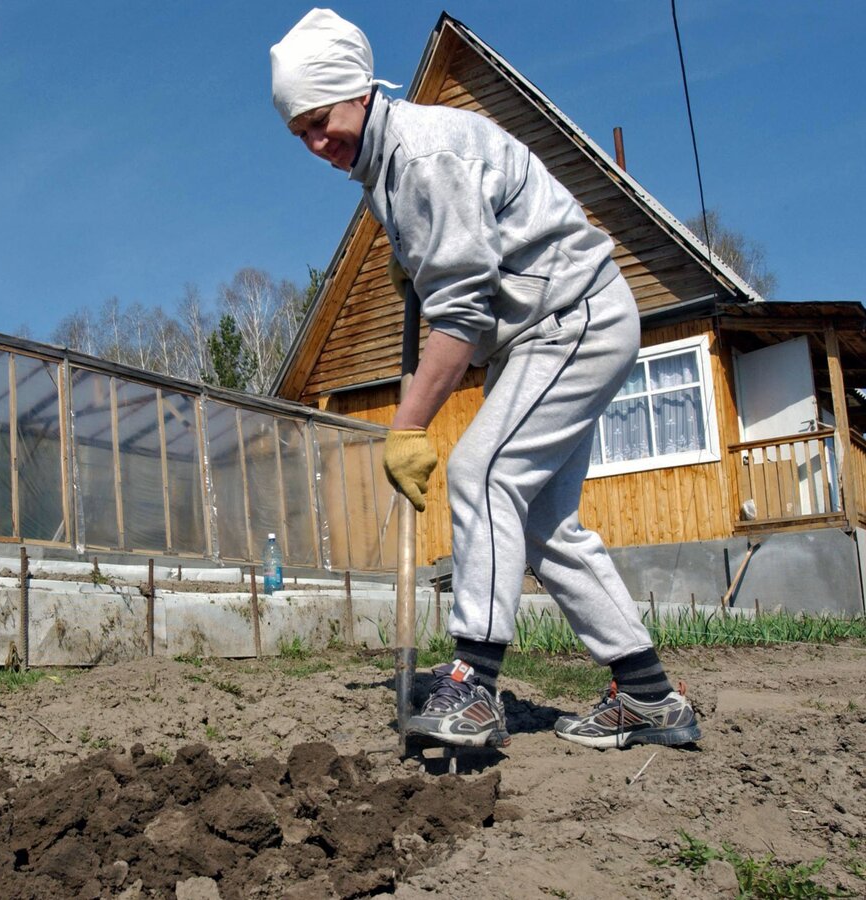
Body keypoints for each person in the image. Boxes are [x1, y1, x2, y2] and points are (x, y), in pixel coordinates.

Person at [270, 8, 700, 750]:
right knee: (541, 525)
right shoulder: (386, 170)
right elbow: (454, 284)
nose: (316, 144)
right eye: (299, 132)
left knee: (482, 473)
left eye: (321, 119)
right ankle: (649, 696)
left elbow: (461, 323)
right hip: (547, 332)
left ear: (359, 92)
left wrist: (406, 424)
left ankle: (473, 684)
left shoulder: (424, 156)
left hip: (571, 319)